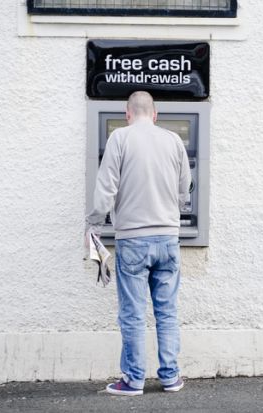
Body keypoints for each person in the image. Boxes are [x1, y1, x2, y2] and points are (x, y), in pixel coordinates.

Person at [85, 91, 191, 396]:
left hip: (133, 239)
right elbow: (185, 189)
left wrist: (94, 224)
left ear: (127, 113)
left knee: (133, 312)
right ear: (155, 114)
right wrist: (171, 211)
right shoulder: (173, 140)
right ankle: (170, 377)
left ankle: (133, 380)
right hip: (169, 239)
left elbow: (106, 189)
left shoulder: (120, 138)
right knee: (167, 310)